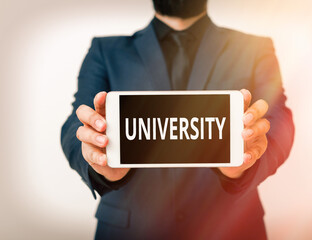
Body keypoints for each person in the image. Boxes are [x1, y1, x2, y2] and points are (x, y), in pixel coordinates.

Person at [61, 0, 295, 239]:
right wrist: (96, 159)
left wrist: (246, 165)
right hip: (130, 230)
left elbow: (279, 120)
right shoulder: (105, 50)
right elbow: (77, 123)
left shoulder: (255, 48)